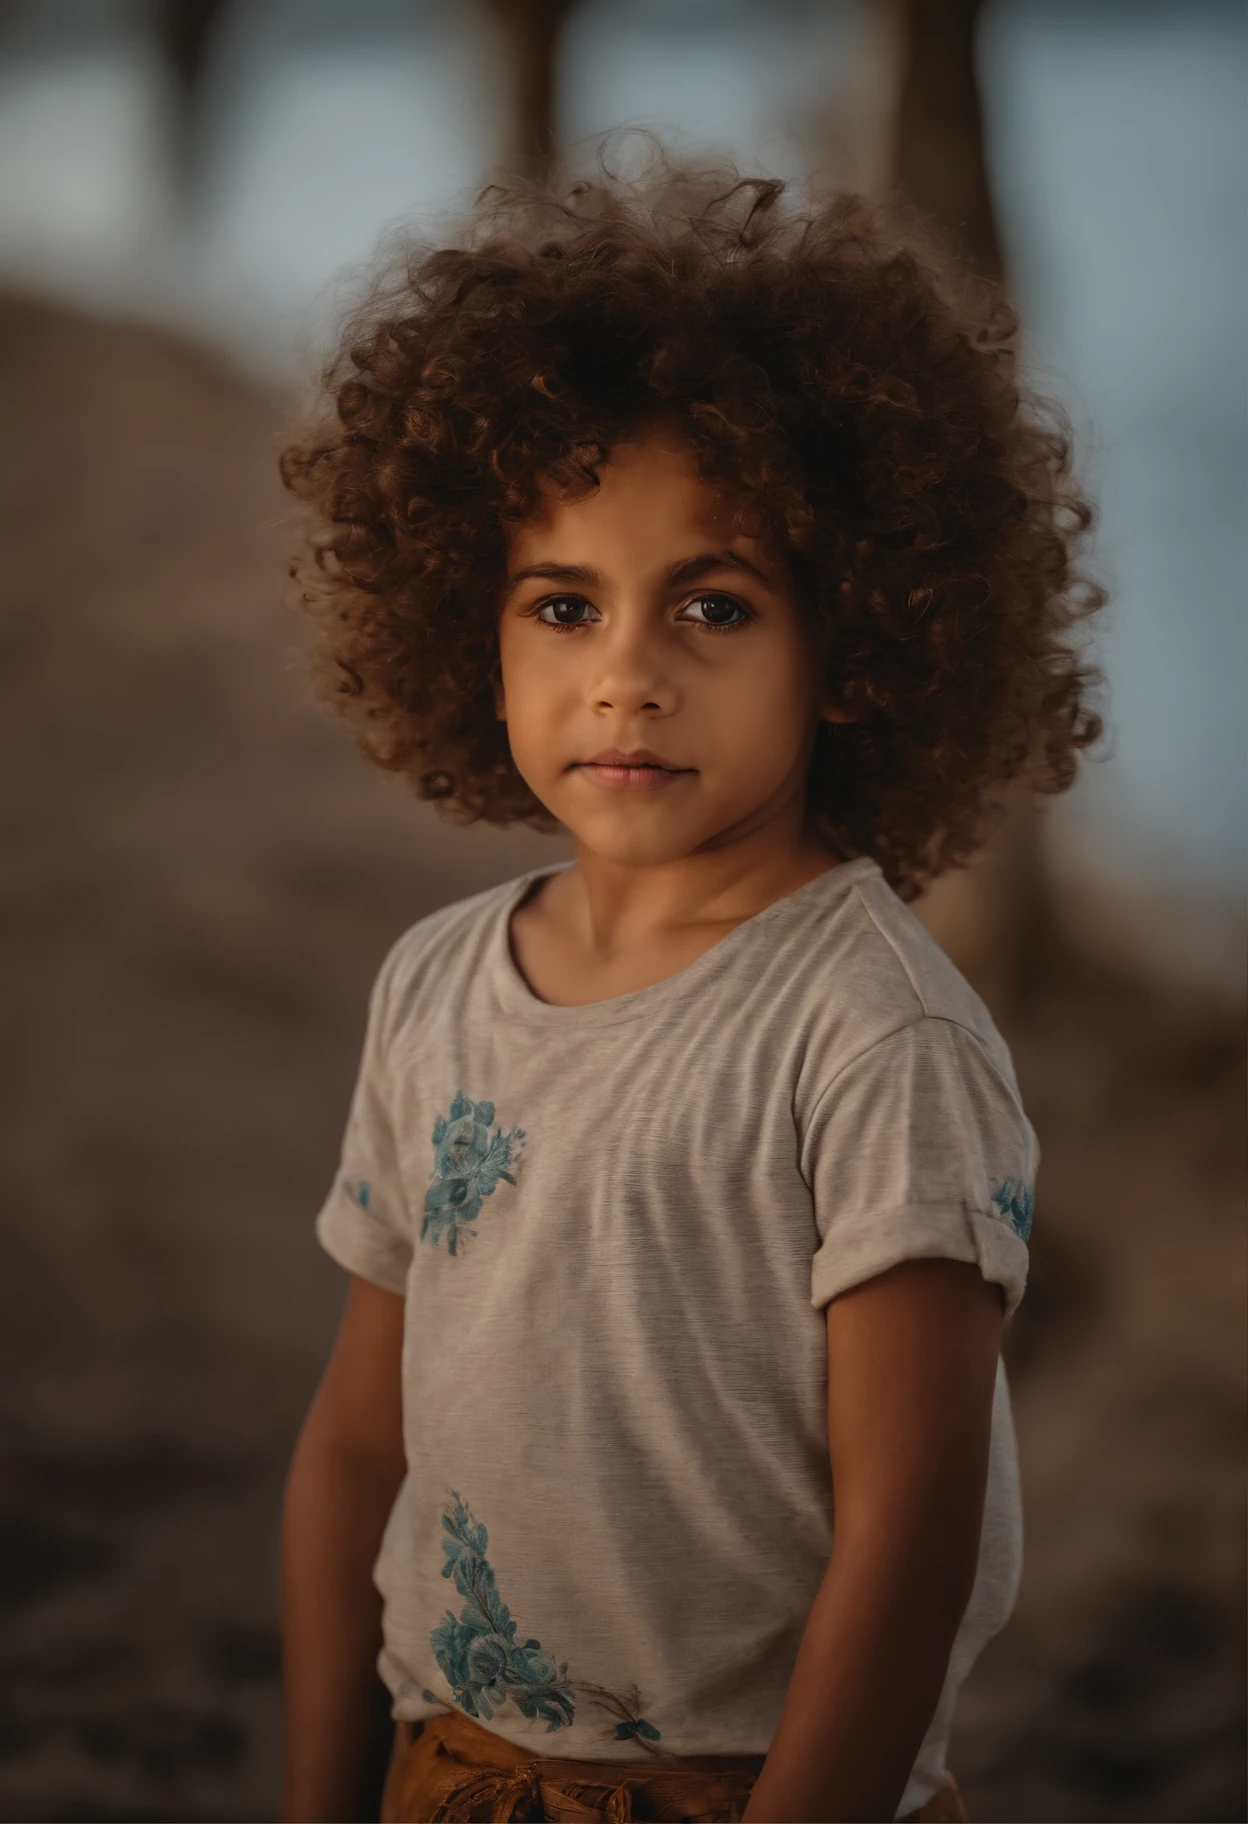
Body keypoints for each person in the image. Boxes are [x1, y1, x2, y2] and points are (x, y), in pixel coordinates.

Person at [276, 155, 1103, 1823]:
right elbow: (360, 1451)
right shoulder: (437, 986)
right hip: (453, 1774)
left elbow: (910, 1546)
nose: (626, 675)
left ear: (859, 639)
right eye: (564, 606)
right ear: (473, 635)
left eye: (713, 606)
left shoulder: (877, 1036)